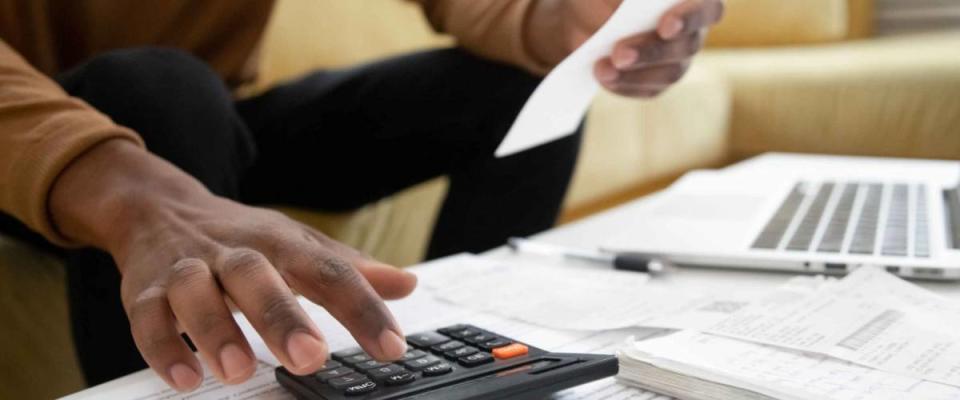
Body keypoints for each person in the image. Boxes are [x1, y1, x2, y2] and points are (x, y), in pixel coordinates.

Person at [0, 0, 723, 392]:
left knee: (510, 86)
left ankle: (453, 366)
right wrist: (121, 182)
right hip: (31, 149)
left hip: (216, 118)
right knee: (155, 88)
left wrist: (557, 19)